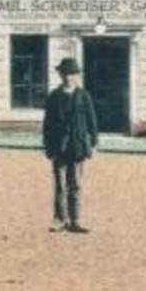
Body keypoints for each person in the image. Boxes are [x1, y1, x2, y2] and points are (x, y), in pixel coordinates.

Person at [43, 58, 98, 233]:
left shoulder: (84, 96)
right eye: (65, 74)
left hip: (78, 146)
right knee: (59, 185)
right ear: (60, 75)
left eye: (72, 74)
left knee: (75, 184)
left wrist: (94, 143)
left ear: (77, 76)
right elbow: (47, 124)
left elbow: (92, 121)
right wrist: (48, 146)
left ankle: (75, 220)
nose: (68, 77)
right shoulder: (53, 96)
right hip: (58, 147)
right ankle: (60, 219)